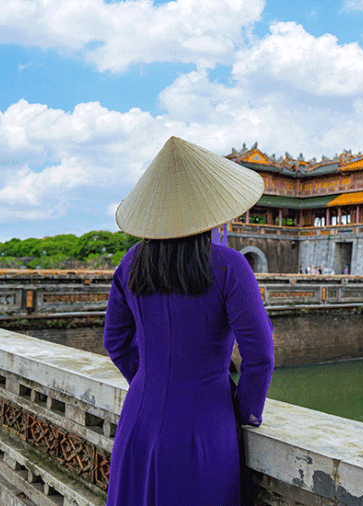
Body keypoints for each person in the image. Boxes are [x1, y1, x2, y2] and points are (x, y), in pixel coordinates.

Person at [104, 137, 275, 506]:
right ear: (210, 207)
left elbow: (115, 342)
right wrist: (245, 410)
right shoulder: (230, 266)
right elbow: (259, 356)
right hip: (206, 422)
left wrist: (151, 382)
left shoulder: (131, 262)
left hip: (139, 418)